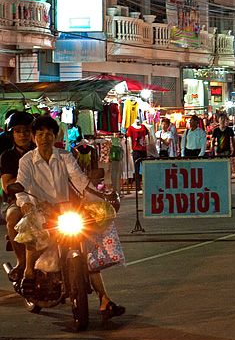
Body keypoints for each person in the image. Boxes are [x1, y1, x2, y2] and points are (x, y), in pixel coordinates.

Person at [15, 115, 125, 320]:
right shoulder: (27, 160)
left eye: (49, 134)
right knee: (32, 230)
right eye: (40, 134)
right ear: (33, 137)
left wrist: (98, 195)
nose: (45, 138)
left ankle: (104, 299)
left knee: (86, 251)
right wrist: (25, 203)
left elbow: (79, 179)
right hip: (40, 211)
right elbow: (21, 185)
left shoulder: (65, 156)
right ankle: (29, 273)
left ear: (56, 136)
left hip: (64, 211)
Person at [1, 111, 34, 283]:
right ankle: (21, 262)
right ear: (11, 134)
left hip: (45, 199)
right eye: (18, 131)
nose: (23, 135)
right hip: (18, 201)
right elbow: (7, 185)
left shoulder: (41, 152)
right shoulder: (8, 156)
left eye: (27, 130)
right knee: (13, 218)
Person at [127, 117, 151, 191]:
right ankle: (138, 186)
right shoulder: (131, 128)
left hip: (143, 150)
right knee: (136, 169)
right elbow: (130, 139)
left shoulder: (143, 127)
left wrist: (148, 144)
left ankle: (146, 185)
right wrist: (131, 149)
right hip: (136, 150)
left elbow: (147, 135)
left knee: (145, 168)